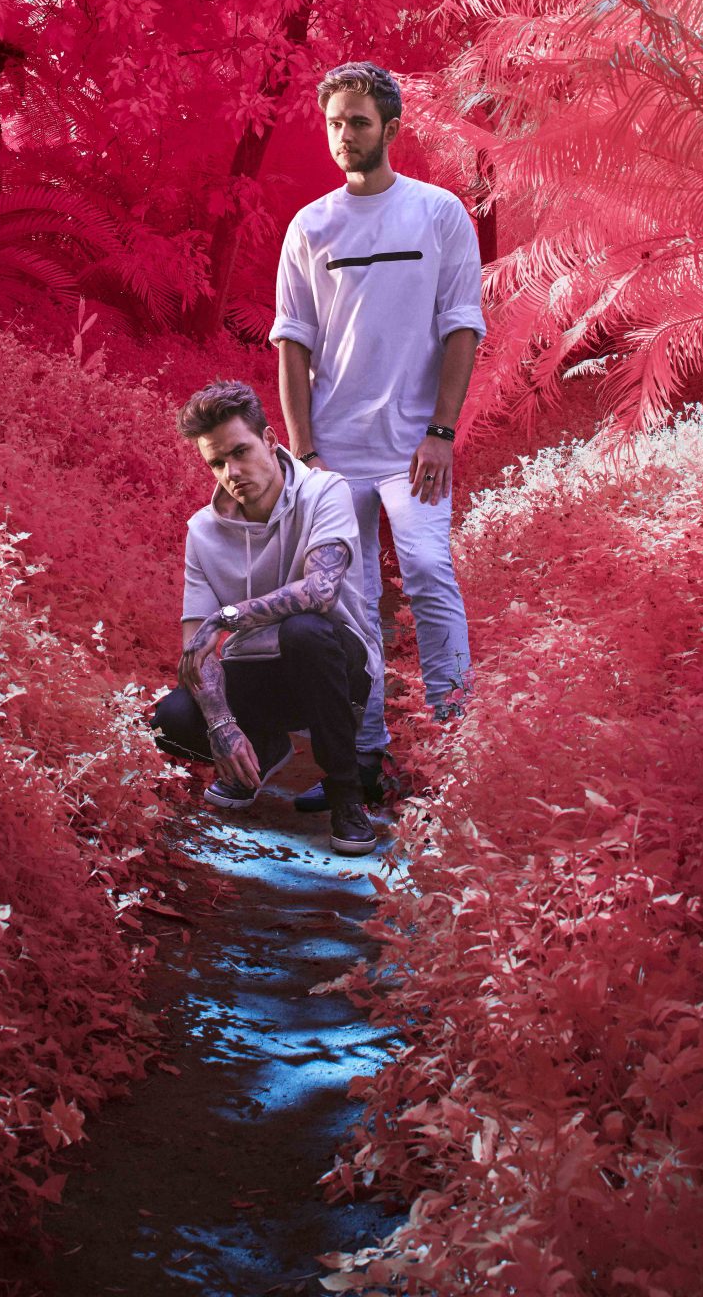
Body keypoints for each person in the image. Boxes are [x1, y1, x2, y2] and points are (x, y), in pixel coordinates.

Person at [272, 61, 484, 810]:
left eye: (358, 122)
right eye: (334, 122)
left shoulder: (437, 214)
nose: (344, 135)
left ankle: (460, 750)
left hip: (413, 449)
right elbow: (291, 343)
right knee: (350, 606)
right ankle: (359, 763)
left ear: (390, 129)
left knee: (428, 573)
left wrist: (440, 431)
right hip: (333, 450)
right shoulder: (311, 226)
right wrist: (303, 453)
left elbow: (461, 327)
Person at [152, 379, 385, 856]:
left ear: (271, 440)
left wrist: (230, 616)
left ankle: (347, 797)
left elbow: (320, 592)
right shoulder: (202, 531)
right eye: (217, 462)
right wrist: (222, 724)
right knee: (168, 719)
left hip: (335, 662)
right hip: (258, 672)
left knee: (305, 631)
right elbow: (194, 645)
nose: (231, 472)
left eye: (240, 451)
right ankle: (263, 747)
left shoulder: (325, 490)